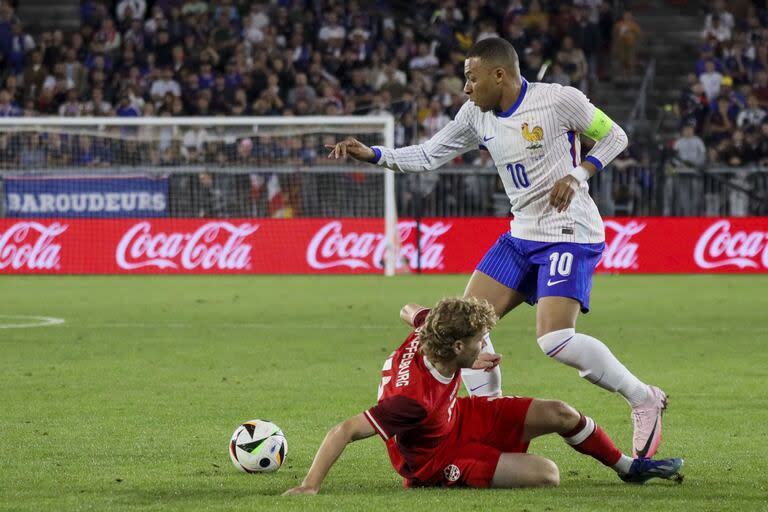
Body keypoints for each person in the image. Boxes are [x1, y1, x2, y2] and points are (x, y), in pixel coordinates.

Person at [324, 37, 666, 459]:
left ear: (498, 74)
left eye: (471, 79)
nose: (466, 89)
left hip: (569, 231)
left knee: (554, 338)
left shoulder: (559, 101)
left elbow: (614, 136)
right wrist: (374, 154)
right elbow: (428, 154)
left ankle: (642, 397)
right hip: (521, 234)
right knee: (462, 330)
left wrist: (578, 175)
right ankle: (491, 423)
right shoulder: (475, 115)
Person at [283, 297, 684, 495]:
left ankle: (630, 468)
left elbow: (409, 309)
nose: (484, 344)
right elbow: (344, 430)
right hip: (435, 459)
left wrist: (465, 364)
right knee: (547, 474)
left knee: (562, 413)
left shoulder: (432, 332)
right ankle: (439, 483)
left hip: (460, 415)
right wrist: (310, 485)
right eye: (478, 340)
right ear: (457, 346)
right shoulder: (413, 400)